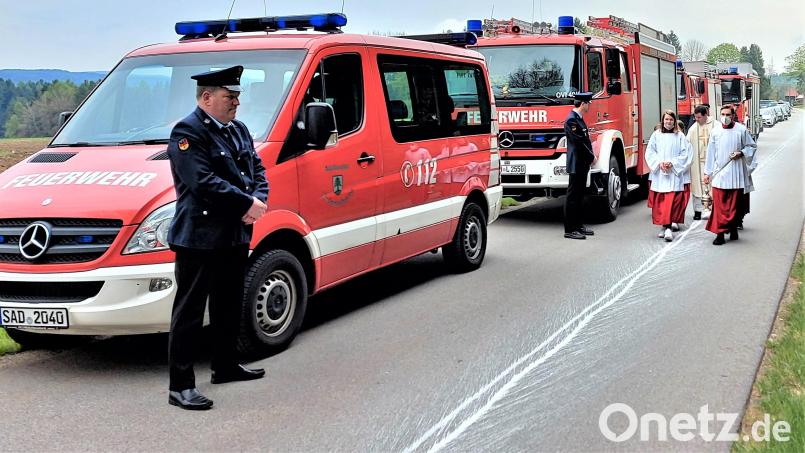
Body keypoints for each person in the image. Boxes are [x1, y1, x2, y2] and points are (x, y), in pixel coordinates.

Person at [166, 65, 269, 410]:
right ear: (207, 97)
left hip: (234, 234)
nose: (237, 102)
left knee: (228, 305)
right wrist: (246, 203)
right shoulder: (187, 131)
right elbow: (202, 182)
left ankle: (224, 365)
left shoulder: (237, 130)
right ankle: (180, 386)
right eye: (230, 96)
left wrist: (259, 201)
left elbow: (257, 170)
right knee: (190, 313)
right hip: (200, 236)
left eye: (238, 96)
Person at [703, 105, 756, 245]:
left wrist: (741, 153)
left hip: (736, 172)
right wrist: (707, 173)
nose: (725, 117)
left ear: (733, 116)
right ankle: (719, 234)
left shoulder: (741, 130)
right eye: (722, 114)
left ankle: (733, 228)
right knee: (719, 206)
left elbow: (751, 146)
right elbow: (710, 153)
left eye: (728, 114)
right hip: (720, 173)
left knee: (734, 206)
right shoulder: (715, 132)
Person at [645, 110, 693, 242]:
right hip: (660, 174)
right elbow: (650, 151)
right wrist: (659, 163)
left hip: (674, 173)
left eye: (671, 120)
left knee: (672, 202)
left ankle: (668, 227)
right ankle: (665, 227)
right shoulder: (656, 135)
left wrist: (672, 163)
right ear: (662, 120)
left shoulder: (680, 136)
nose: (668, 122)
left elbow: (685, 154)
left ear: (674, 121)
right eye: (666, 120)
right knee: (662, 203)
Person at [563, 92, 596, 240]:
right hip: (576, 162)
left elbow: (585, 140)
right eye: (589, 103)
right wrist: (591, 157)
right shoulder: (571, 120)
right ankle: (570, 229)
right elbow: (579, 143)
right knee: (573, 196)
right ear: (583, 104)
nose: (590, 106)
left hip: (582, 163)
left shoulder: (578, 119)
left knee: (580, 195)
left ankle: (579, 226)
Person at [686, 104, 721, 220]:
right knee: (697, 186)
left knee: (714, 185)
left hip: (713, 163)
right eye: (695, 117)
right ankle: (698, 211)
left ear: (706, 115)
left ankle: (714, 209)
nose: (696, 120)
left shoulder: (716, 126)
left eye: (699, 117)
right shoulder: (693, 129)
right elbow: (686, 145)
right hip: (697, 163)